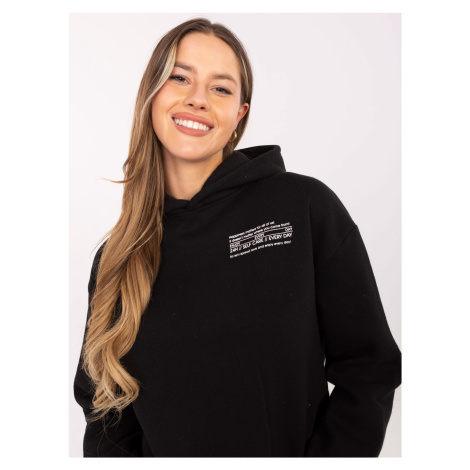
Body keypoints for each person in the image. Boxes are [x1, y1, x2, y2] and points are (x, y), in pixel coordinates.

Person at [73, 17, 402, 458]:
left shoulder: (303, 209)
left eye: (221, 88)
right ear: (152, 94)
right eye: (180, 78)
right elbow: (105, 410)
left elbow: (369, 367)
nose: (198, 99)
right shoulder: (118, 257)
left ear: (239, 114)